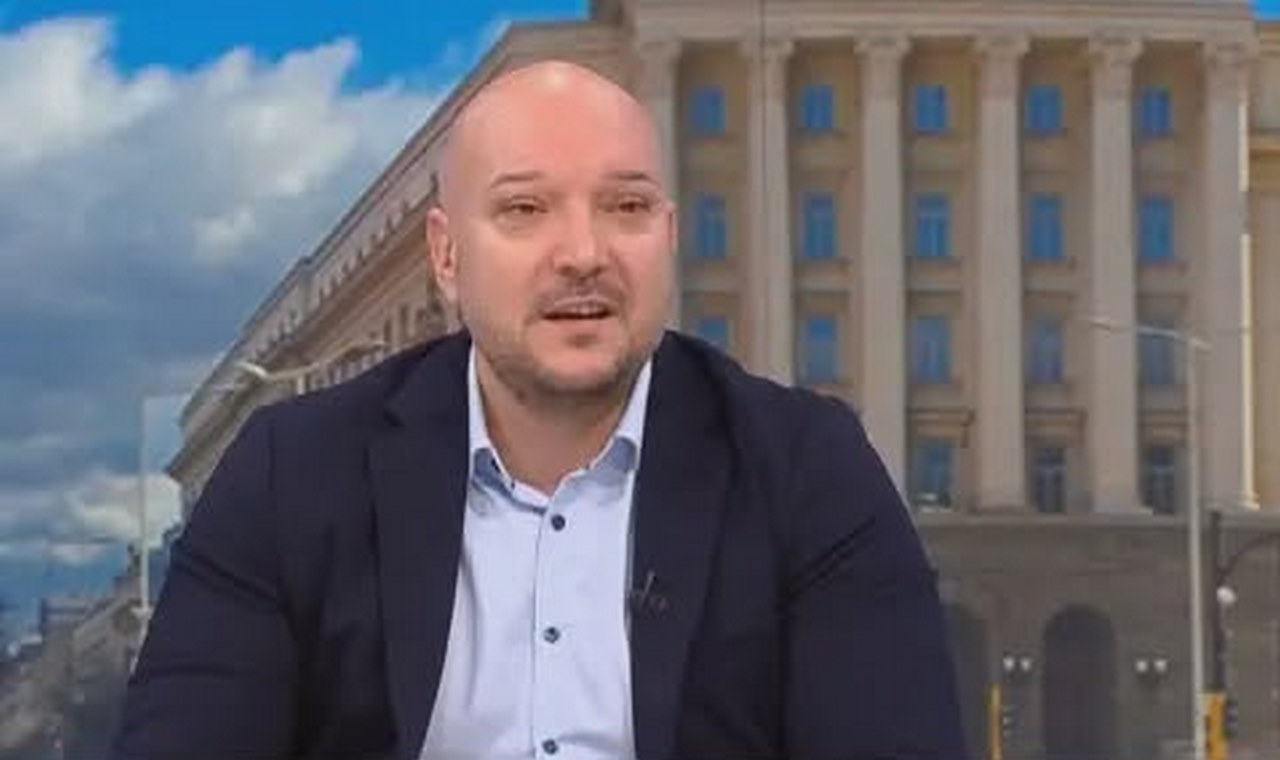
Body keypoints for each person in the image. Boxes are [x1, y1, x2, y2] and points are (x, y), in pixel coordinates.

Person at [112, 60, 967, 760]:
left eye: (626, 208)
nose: (584, 253)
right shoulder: (291, 474)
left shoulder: (807, 469)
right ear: (447, 257)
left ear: (668, 238)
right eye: (525, 210)